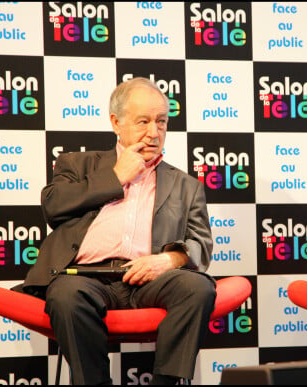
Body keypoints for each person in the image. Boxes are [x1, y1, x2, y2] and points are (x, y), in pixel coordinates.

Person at [16, 77, 215, 385]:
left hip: (150, 280)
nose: (154, 132)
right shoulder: (78, 164)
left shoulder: (185, 185)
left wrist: (169, 260)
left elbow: (200, 242)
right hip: (83, 277)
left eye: (161, 122)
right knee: (66, 296)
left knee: (198, 287)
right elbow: (53, 206)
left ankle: (167, 382)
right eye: (143, 122)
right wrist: (116, 176)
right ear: (116, 123)